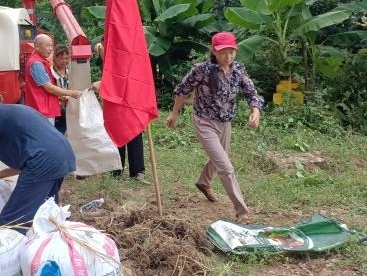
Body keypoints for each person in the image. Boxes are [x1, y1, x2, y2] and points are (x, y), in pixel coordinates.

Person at [165, 32, 263, 225]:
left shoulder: (238, 70)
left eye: (231, 52)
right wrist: (174, 113)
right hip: (204, 121)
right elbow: (182, 90)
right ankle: (242, 212)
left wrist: (256, 111)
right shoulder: (202, 70)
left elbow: (252, 92)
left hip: (225, 122)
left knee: (220, 158)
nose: (228, 56)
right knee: (225, 166)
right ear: (214, 52)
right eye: (223, 52)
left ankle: (204, 182)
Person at [0, 93, 76, 231]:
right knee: (46, 214)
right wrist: (0, 174)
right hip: (62, 154)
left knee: (12, 221)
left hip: (43, 161)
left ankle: (16, 242)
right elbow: (28, 155)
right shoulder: (4, 114)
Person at [91, 40, 149, 184]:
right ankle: (116, 170)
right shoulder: (109, 55)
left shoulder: (130, 54)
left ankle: (137, 171)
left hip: (131, 99)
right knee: (116, 133)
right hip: (115, 101)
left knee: (134, 133)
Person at [24, 34, 82, 124]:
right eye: (48, 46)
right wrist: (71, 93)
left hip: (45, 107)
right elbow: (49, 88)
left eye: (51, 45)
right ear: (37, 47)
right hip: (42, 109)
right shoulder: (36, 64)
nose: (51, 49)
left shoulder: (41, 62)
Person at [51, 44, 70, 134]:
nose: (64, 61)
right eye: (61, 58)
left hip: (68, 108)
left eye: (66, 58)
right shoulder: (50, 72)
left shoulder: (69, 71)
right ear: (55, 58)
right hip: (56, 109)